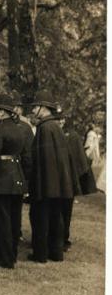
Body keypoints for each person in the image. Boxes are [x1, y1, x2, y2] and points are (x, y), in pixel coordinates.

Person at [0, 95, 31, 269]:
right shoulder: (21, 129)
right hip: (17, 176)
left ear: (2, 112)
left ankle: (3, 259)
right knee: (14, 219)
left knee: (2, 220)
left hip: (3, 177)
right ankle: (12, 256)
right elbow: (26, 157)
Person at [28, 90, 73, 263]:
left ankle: (40, 254)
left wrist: (39, 184)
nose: (33, 110)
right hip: (58, 183)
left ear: (43, 108)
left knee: (41, 217)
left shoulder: (44, 128)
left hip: (46, 183)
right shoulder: (55, 127)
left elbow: (43, 160)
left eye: (35, 107)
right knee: (56, 217)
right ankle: (56, 252)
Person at [55, 106, 97, 251]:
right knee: (56, 211)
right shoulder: (54, 134)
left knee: (66, 211)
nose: (59, 122)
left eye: (61, 119)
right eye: (57, 119)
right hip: (56, 180)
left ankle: (64, 239)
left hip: (69, 181)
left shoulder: (72, 136)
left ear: (64, 120)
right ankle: (55, 239)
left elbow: (80, 160)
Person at [12, 92, 34, 243]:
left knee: (17, 204)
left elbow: (29, 152)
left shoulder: (26, 127)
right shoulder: (2, 124)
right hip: (5, 168)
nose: (16, 110)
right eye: (14, 107)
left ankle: (16, 231)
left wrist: (27, 175)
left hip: (20, 169)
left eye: (18, 107)